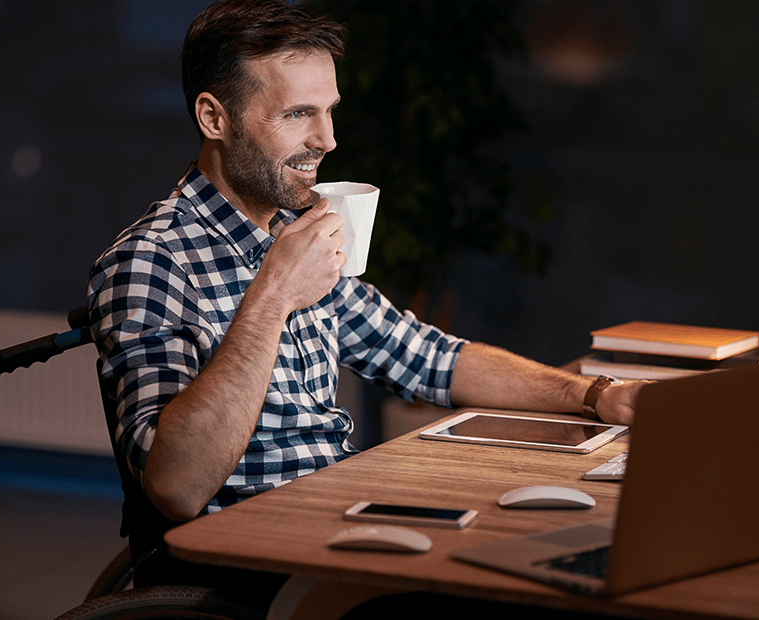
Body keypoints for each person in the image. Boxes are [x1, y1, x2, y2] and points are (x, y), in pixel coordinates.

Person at [87, 0, 646, 613]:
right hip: (251, 563)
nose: (327, 140)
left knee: (551, 554)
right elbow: (176, 486)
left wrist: (593, 396)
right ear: (214, 118)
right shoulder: (151, 262)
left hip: (336, 519)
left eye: (329, 112)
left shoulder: (294, 229)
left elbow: (428, 358)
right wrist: (273, 294)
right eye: (298, 114)